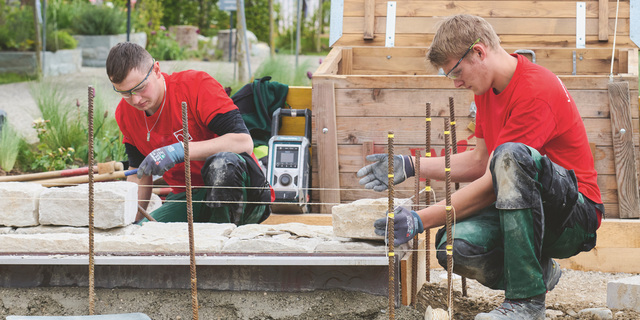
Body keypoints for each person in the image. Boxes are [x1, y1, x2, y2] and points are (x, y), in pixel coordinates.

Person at [357, 14, 603, 320]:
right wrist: (411, 165)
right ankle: (537, 270)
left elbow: (496, 179)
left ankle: (525, 302)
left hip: (573, 215)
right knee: (454, 247)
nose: (457, 82)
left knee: (512, 155)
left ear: (478, 51)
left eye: (457, 71)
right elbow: (479, 161)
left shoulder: (536, 88)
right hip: (523, 207)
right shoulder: (486, 91)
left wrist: (420, 219)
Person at [106, 42, 273, 225]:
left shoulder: (195, 85)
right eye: (125, 93)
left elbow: (243, 142)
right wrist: (131, 222)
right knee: (142, 231)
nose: (136, 100)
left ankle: (221, 237)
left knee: (222, 163)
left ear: (156, 69)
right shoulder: (125, 113)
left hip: (245, 195)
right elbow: (139, 173)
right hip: (189, 197)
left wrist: (179, 151)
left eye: (140, 88)